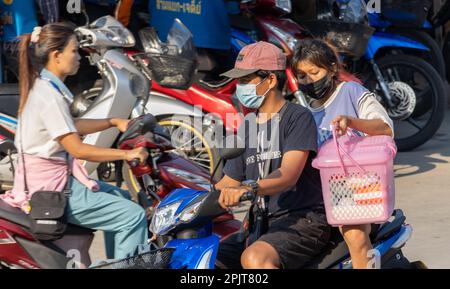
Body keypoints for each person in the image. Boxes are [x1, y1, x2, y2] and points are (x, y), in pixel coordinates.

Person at [0, 22, 148, 260]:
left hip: (53, 182)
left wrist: (113, 122)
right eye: (74, 51)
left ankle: (119, 262)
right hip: (53, 190)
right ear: (56, 56)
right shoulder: (48, 96)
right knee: (133, 216)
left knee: (120, 197)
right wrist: (126, 155)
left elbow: (70, 126)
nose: (79, 57)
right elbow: (77, 148)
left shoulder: (46, 88)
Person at [214, 41, 331, 269]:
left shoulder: (297, 117)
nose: (240, 86)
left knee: (255, 259)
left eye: (246, 80)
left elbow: (288, 174)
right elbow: (229, 181)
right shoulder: (247, 126)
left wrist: (249, 189)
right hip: (262, 221)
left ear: (270, 80)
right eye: (239, 81)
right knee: (210, 258)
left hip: (303, 219)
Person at [291, 38, 394, 269]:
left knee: (355, 235)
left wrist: (352, 122)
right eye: (302, 75)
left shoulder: (351, 92)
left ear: (332, 69)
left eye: (314, 72)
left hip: (362, 186)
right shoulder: (305, 114)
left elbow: (386, 128)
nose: (309, 80)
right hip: (321, 196)